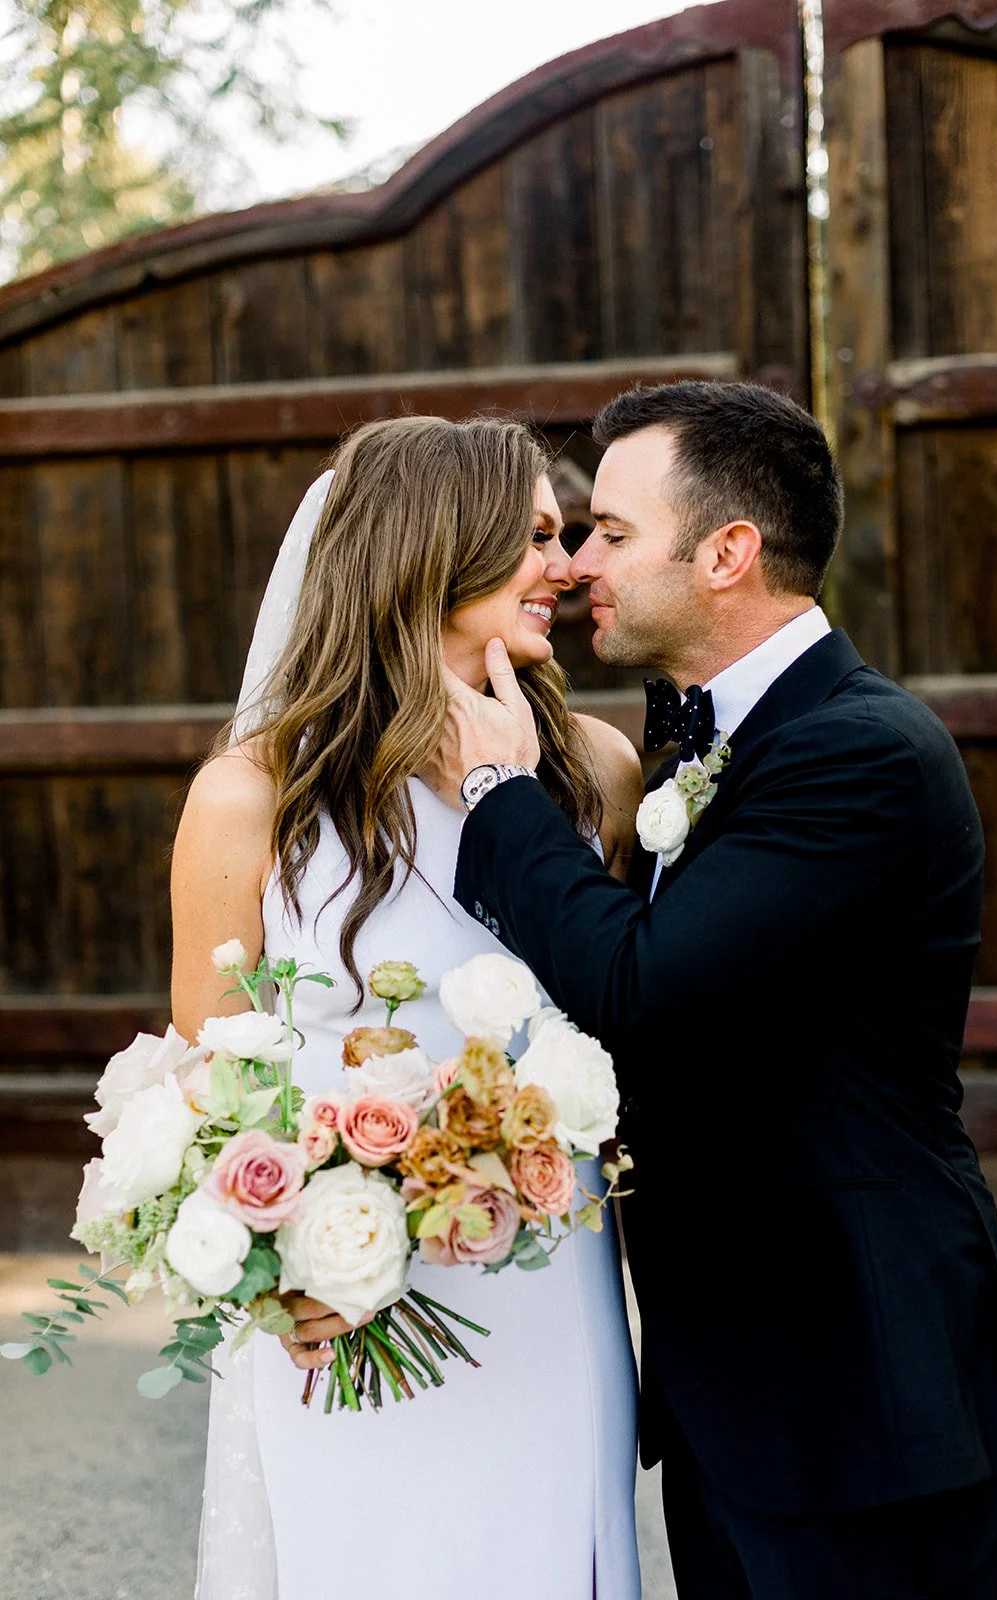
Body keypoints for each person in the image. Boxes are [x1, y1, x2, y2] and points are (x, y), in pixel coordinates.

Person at [426, 381, 997, 1600]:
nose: (576, 563)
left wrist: (498, 797)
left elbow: (637, 986)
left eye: (611, 532)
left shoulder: (857, 751)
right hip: (739, 1401)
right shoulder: (701, 736)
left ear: (726, 553)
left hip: (866, 1403)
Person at [170, 415, 644, 1600]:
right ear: (433, 549)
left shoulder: (593, 769)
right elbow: (206, 1081)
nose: (565, 564)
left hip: (545, 1288)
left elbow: (626, 1000)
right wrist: (279, 1267)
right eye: (533, 536)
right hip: (345, 1301)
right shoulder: (250, 798)